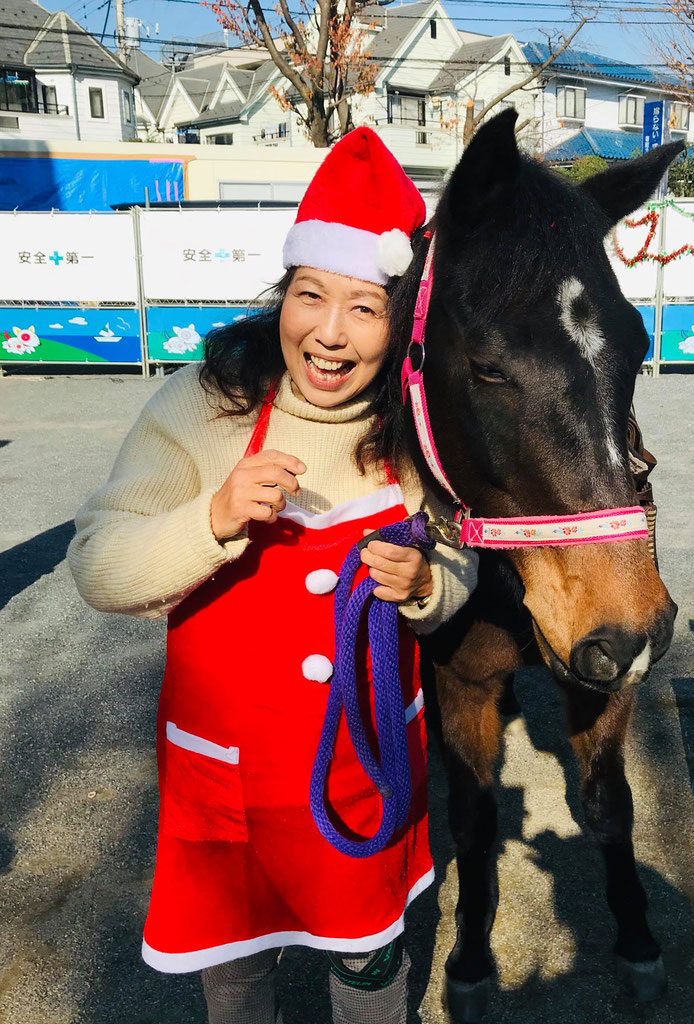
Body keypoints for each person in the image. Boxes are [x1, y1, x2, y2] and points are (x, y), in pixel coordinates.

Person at [67, 127, 478, 1024]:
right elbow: (97, 568)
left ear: (401, 321)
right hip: (227, 782)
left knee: (368, 966)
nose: (328, 335)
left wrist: (424, 585)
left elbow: (460, 562)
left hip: (360, 776)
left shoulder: (420, 423)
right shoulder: (204, 401)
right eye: (309, 296)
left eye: (364, 308)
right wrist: (211, 518)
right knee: (237, 972)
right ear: (281, 296)